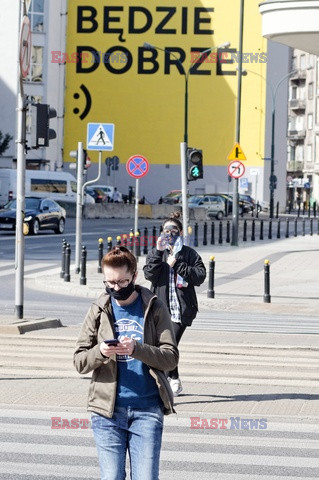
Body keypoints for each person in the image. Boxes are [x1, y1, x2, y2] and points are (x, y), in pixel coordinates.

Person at [74, 246, 178, 480]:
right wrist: (100, 351)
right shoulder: (99, 309)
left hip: (147, 410)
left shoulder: (153, 307)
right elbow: (79, 361)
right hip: (107, 413)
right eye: (109, 283)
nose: (115, 288)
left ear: (134, 275)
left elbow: (171, 357)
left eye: (122, 282)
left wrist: (137, 349)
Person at [143, 211, 206, 397]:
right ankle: (173, 378)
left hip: (182, 310)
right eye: (166, 230)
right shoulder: (157, 252)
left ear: (180, 232)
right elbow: (149, 275)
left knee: (170, 344)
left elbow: (200, 276)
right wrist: (158, 252)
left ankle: (170, 379)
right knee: (167, 347)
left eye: (173, 230)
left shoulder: (188, 253)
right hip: (161, 309)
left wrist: (177, 264)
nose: (169, 234)